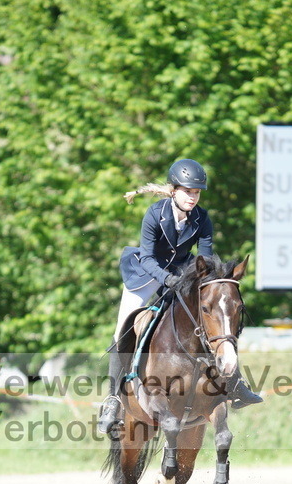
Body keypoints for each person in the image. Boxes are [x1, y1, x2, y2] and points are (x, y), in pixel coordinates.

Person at [97, 158, 262, 434]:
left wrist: (202, 283)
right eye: (188, 192)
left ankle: (235, 384)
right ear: (174, 191)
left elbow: (205, 259)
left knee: (217, 319)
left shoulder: (202, 218)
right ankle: (113, 400)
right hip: (144, 275)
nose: (193, 198)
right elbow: (148, 258)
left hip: (181, 273)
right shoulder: (154, 214)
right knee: (122, 330)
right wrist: (168, 280)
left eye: (196, 193)